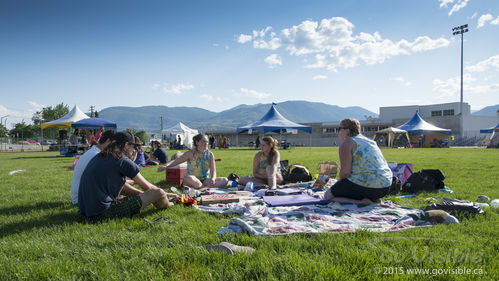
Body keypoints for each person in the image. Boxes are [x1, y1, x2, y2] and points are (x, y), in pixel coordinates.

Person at [78, 131, 178, 220]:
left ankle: (166, 199)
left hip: (85, 211)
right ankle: (171, 204)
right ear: (126, 144)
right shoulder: (122, 160)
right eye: (133, 147)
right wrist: (164, 195)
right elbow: (149, 188)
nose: (134, 150)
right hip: (104, 213)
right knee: (158, 193)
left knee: (131, 191)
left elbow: (121, 186)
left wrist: (142, 194)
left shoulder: (99, 156)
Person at [324, 118, 392, 204]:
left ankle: (362, 202)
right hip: (385, 186)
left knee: (328, 196)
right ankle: (373, 199)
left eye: (339, 129)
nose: (338, 132)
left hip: (365, 185)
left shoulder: (348, 143)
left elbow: (345, 173)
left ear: (347, 130)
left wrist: (338, 185)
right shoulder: (371, 142)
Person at [158, 133, 228, 189]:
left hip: (204, 180)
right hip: (191, 180)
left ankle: (202, 188)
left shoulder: (210, 154)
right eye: (203, 141)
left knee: (224, 180)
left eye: (207, 142)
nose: (206, 143)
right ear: (197, 142)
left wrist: (212, 179)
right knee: (190, 178)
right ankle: (205, 188)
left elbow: (213, 170)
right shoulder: (191, 153)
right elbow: (176, 161)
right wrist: (165, 166)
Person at [70, 130, 115, 205]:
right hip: (82, 199)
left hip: (80, 196)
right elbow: (110, 182)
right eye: (114, 145)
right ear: (108, 141)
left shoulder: (93, 152)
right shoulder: (96, 156)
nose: (115, 148)